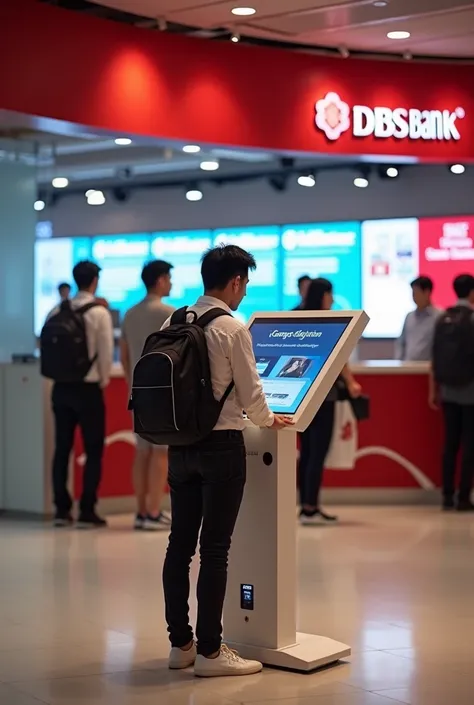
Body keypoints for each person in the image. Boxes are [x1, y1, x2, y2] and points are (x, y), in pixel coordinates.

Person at [162, 245, 293, 677]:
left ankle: (181, 644)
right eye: (246, 283)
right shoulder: (232, 328)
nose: (245, 291)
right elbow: (253, 396)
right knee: (215, 549)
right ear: (235, 281)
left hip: (179, 446)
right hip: (221, 448)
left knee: (179, 546)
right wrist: (271, 419)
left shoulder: (175, 320)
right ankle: (211, 653)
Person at [49, 261, 114, 528]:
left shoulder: (57, 309)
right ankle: (87, 509)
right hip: (88, 389)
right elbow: (105, 352)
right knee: (93, 450)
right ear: (95, 280)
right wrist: (103, 381)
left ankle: (61, 510)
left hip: (60, 388)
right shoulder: (99, 313)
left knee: (62, 449)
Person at [299, 277, 362, 524]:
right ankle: (311, 507)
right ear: (322, 295)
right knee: (317, 451)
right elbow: (340, 360)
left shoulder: (297, 316)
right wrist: (350, 382)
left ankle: (306, 504)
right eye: (330, 294)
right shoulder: (329, 322)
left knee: (307, 452)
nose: (333, 299)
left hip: (301, 395)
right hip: (324, 396)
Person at [120, 260, 175, 531]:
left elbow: (125, 355)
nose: (171, 283)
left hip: (137, 392)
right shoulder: (169, 313)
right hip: (162, 392)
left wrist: (132, 383)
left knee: (141, 453)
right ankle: (154, 511)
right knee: (161, 453)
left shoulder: (129, 314)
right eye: (169, 278)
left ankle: (141, 511)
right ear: (161, 280)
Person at [429, 274, 474, 512]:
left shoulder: (442, 318)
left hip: (447, 390)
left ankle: (447, 495)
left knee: (449, 444)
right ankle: (464, 497)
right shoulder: (472, 319)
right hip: (470, 392)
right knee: (469, 446)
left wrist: (434, 389)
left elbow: (434, 358)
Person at [397, 276, 439, 361]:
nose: (414, 297)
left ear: (427, 293)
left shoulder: (438, 317)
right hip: (407, 367)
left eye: (416, 293)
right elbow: (402, 343)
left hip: (427, 368)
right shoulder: (409, 317)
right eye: (413, 294)